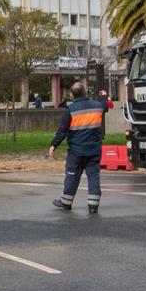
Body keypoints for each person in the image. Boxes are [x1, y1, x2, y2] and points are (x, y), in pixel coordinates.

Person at [47, 80, 109, 216]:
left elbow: (62, 131)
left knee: (72, 175)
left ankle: (66, 202)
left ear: (72, 95)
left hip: (76, 151)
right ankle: (93, 205)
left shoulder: (70, 110)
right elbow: (105, 105)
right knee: (93, 176)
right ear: (85, 92)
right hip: (94, 150)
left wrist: (53, 145)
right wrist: (104, 96)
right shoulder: (97, 106)